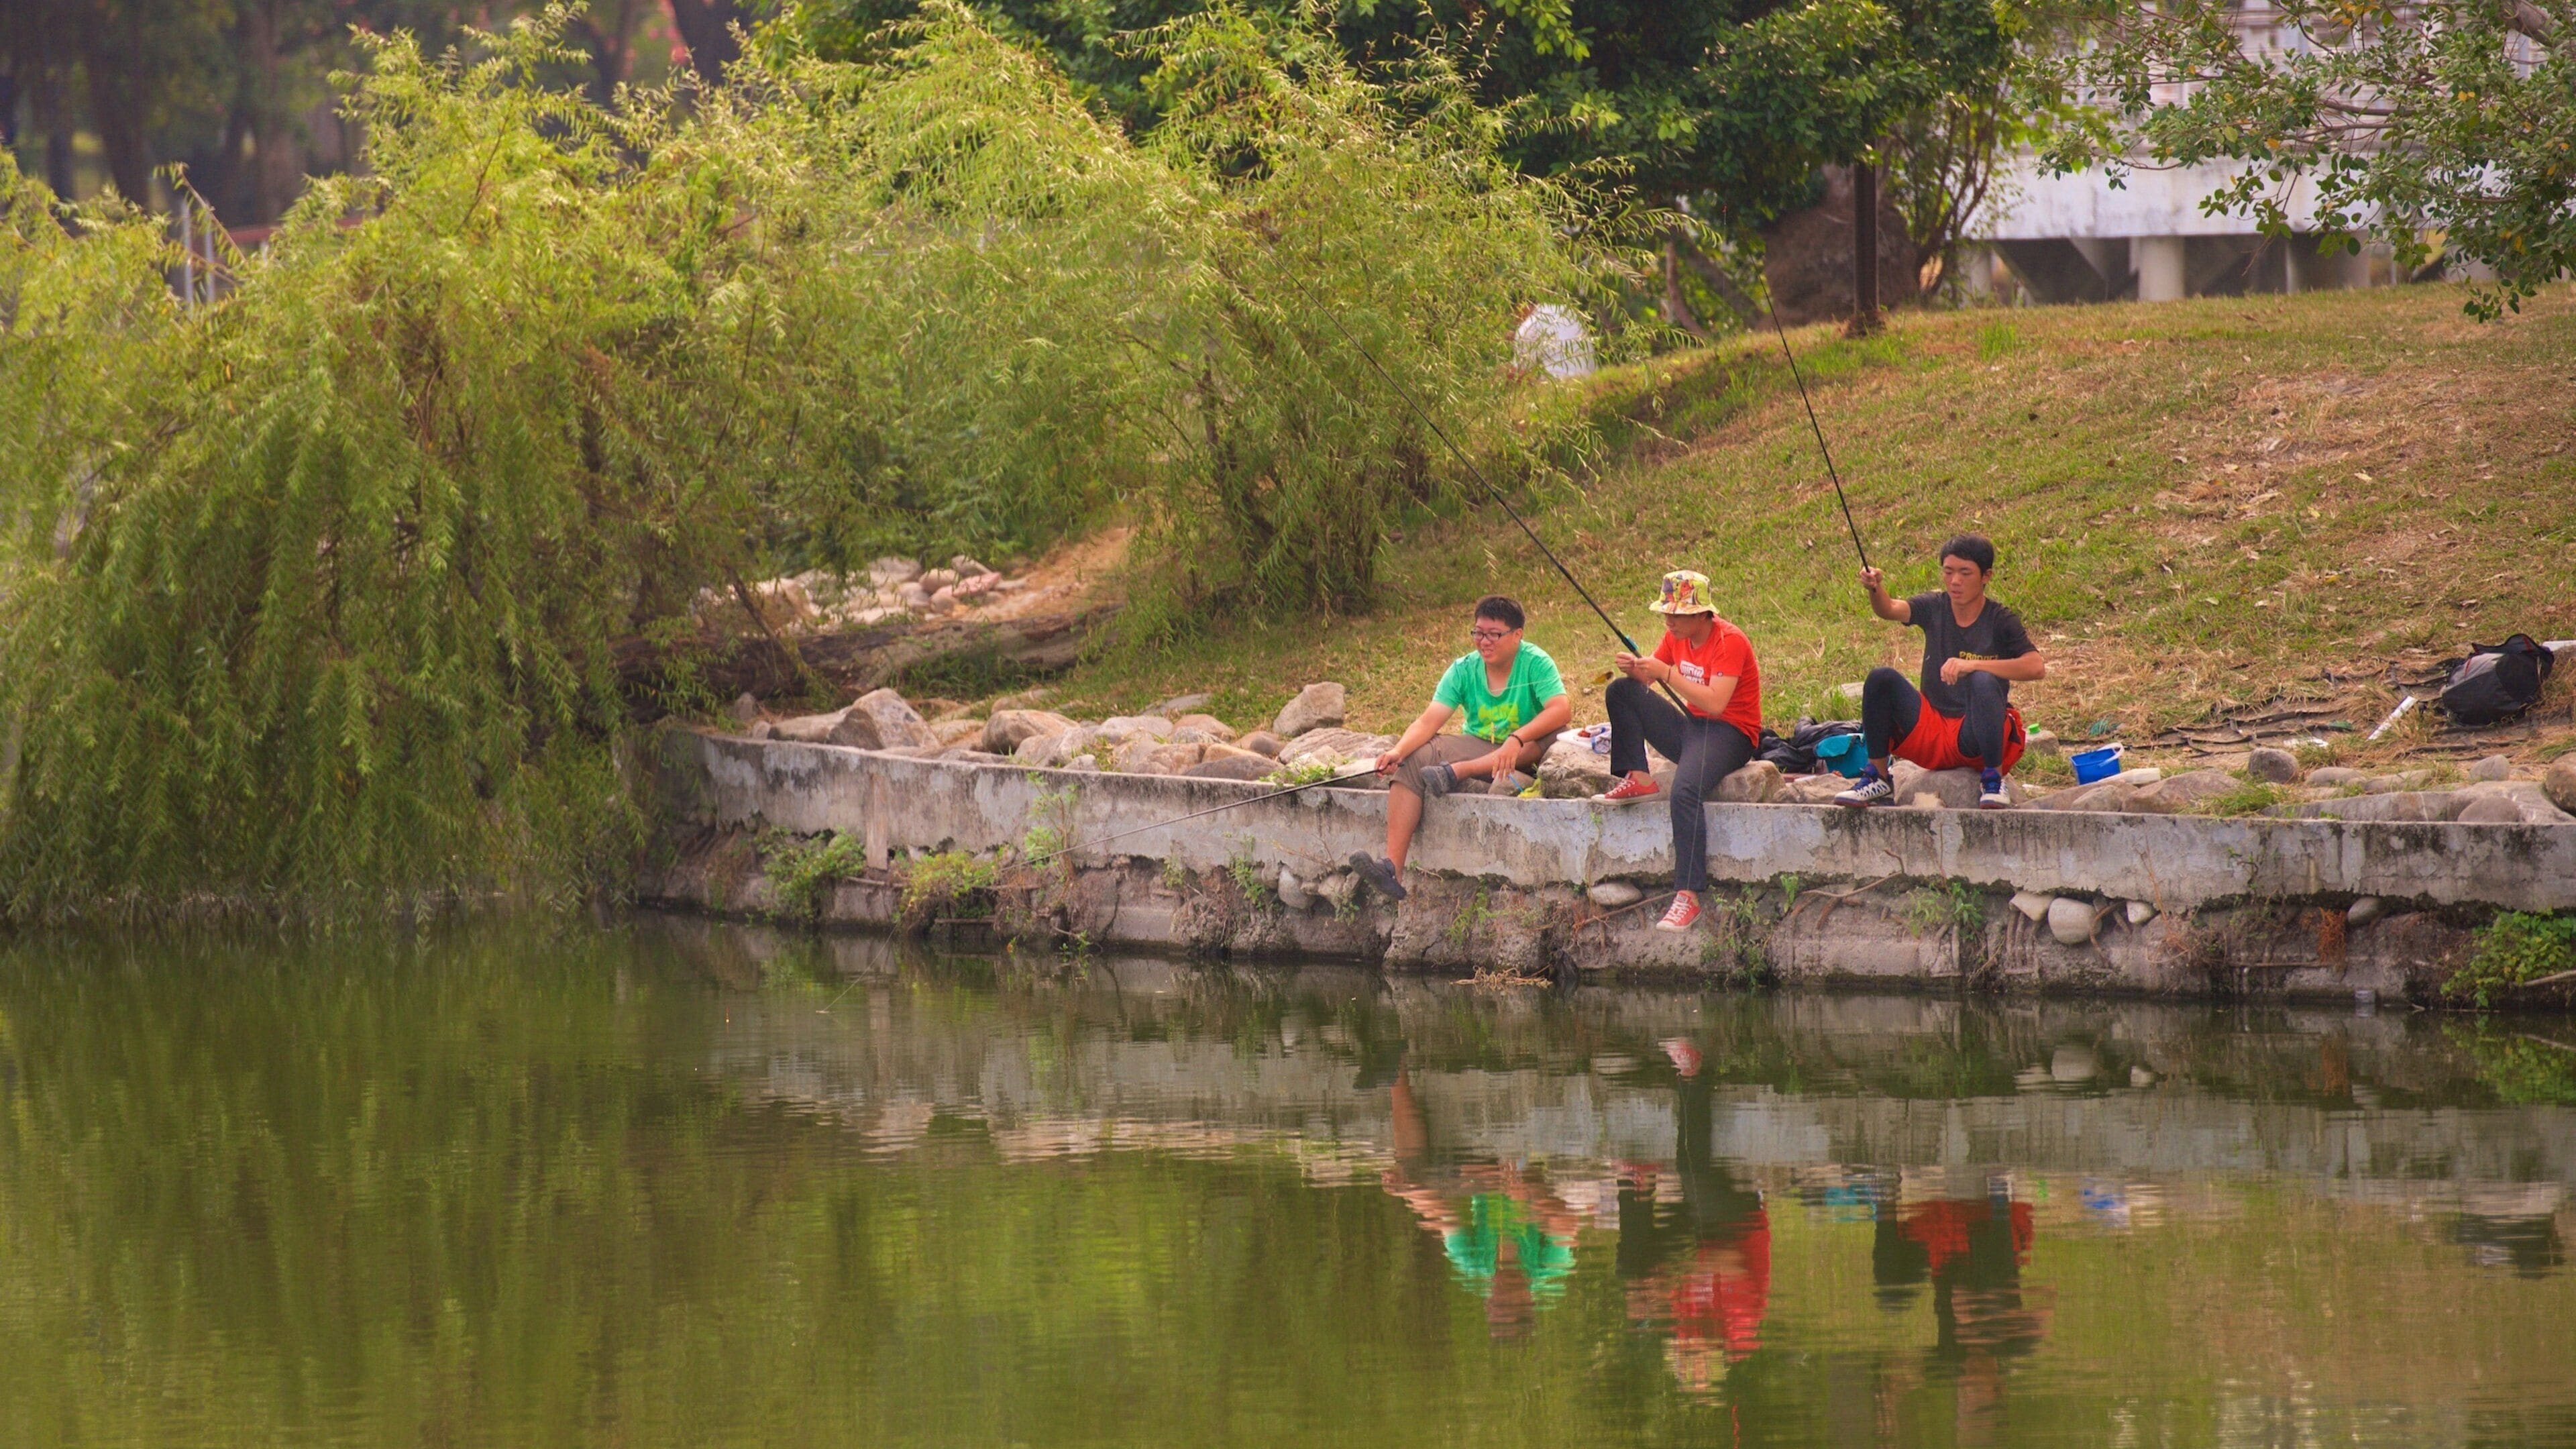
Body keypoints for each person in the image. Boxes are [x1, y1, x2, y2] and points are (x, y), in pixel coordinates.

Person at [1349, 596, 1569, 902]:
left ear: (1517, 635)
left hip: (1527, 749)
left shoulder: (1536, 662)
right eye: (1478, 633)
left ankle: (1461, 772)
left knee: (1558, 735)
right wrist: (1398, 751)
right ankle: (1392, 869)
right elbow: (1429, 720)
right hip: (1480, 744)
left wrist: (1516, 739)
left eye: (1494, 634)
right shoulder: (1464, 669)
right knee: (1414, 758)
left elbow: (1560, 710)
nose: (1484, 642)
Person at [1599, 570, 1762, 934]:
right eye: (1666, 613)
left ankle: (1687, 894)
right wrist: (1637, 670)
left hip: (1731, 734)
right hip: (1692, 727)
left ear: (1702, 613)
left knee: (1685, 791)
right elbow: (1653, 677)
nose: (1668, 621)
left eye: (1676, 614)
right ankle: (1638, 777)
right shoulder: (1675, 637)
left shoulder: (1729, 641)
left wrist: (1666, 673)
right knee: (1622, 691)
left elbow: (1717, 704)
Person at [1835, 535, 2045, 811]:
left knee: (1983, 679)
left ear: (1986, 576)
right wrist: (1875, 588)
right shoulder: (1934, 606)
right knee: (1881, 678)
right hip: (1931, 728)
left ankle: (1993, 779)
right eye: (1948, 572)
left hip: (1974, 736)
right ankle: (1879, 777)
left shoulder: (2000, 619)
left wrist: (1973, 665)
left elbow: (2036, 667)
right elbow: (1889, 610)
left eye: (1965, 572)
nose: (1955, 581)